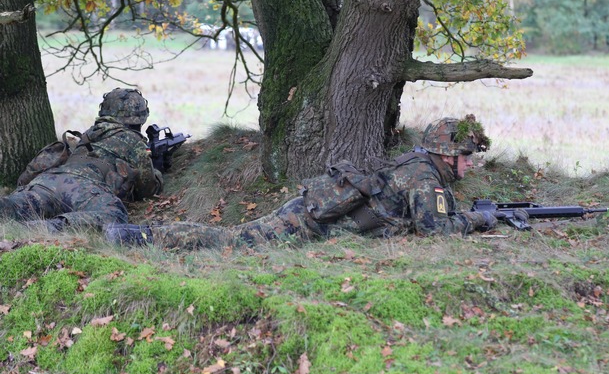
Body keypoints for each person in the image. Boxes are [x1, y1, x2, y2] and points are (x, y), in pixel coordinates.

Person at [104, 115, 515, 249]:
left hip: (316, 212)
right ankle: (140, 237)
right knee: (230, 242)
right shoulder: (427, 178)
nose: (472, 166)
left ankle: (140, 235)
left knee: (232, 237)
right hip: (313, 222)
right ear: (450, 154)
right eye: (468, 158)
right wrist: (481, 221)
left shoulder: (419, 166)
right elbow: (435, 230)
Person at [0, 88, 163, 231]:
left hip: (48, 180)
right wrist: (158, 172)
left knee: (13, 206)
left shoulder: (90, 133)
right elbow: (147, 189)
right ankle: (46, 228)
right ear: (139, 119)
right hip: (83, 190)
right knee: (115, 215)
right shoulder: (133, 141)